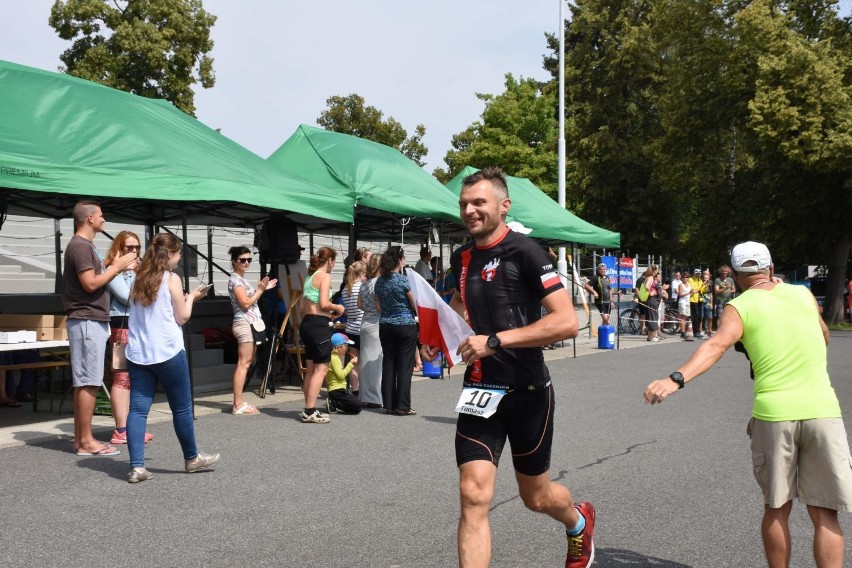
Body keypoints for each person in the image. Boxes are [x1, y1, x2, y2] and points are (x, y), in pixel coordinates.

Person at [421, 167, 593, 568]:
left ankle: (577, 520)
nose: (469, 210)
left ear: (503, 205)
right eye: (464, 204)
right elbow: (463, 306)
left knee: (536, 496)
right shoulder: (462, 256)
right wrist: (441, 333)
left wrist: (495, 340)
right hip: (482, 389)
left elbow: (566, 320)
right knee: (473, 494)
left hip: (528, 390)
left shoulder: (527, 252)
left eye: (479, 202)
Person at [644, 241, 852, 568]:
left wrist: (675, 379)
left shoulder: (739, 306)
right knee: (825, 515)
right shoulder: (803, 295)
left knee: (777, 508)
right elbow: (823, 336)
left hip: (775, 415)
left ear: (738, 275)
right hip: (822, 409)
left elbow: (716, 345)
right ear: (770, 268)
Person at [125, 233, 219, 483]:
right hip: (167, 351)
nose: (179, 259)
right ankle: (192, 458)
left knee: (137, 410)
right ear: (169, 255)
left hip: (138, 353)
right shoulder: (171, 279)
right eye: (178, 254)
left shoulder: (137, 278)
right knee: (182, 407)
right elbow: (182, 317)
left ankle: (137, 467)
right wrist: (192, 299)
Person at [63, 201, 137, 456]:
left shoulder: (84, 246)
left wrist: (117, 269)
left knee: (87, 381)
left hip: (90, 319)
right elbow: (90, 284)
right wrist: (115, 268)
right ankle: (85, 441)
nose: (104, 220)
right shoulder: (81, 246)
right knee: (88, 381)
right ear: (90, 219)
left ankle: (81, 439)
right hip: (86, 319)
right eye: (101, 216)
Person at [104, 230, 153, 445]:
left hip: (137, 324)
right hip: (122, 324)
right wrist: (135, 274)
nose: (134, 251)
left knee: (133, 377)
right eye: (129, 247)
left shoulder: (137, 269)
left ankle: (129, 428)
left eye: (137, 247)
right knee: (122, 376)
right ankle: (120, 429)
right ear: (119, 248)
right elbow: (127, 297)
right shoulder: (113, 270)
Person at [227, 246, 277, 415]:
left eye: (249, 259)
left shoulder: (241, 279)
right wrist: (261, 290)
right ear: (234, 261)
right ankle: (237, 404)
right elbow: (245, 303)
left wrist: (261, 289)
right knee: (244, 363)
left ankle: (239, 402)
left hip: (249, 323)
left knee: (246, 362)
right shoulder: (235, 280)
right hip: (244, 324)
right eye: (242, 260)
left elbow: (249, 301)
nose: (246, 262)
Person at [298, 246, 345, 424]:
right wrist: (337, 308)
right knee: (321, 369)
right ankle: (310, 410)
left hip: (307, 323)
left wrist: (327, 312)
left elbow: (303, 307)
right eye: (334, 262)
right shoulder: (325, 276)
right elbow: (325, 303)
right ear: (330, 261)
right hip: (319, 326)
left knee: (310, 369)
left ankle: (307, 407)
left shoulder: (309, 278)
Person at [375, 245, 419, 416]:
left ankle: (389, 405)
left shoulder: (379, 281)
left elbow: (378, 306)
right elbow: (414, 303)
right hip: (404, 323)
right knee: (404, 366)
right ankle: (402, 406)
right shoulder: (402, 280)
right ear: (399, 260)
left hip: (385, 323)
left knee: (388, 364)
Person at [357, 254, 384, 409]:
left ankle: (365, 394)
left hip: (365, 322)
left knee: (366, 361)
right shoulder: (378, 284)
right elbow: (380, 307)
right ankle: (376, 396)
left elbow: (359, 304)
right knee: (376, 362)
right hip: (376, 323)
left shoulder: (364, 284)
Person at [341, 260, 366, 395]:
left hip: (350, 328)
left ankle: (355, 389)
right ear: (361, 273)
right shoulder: (362, 287)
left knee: (353, 361)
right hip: (362, 327)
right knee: (364, 362)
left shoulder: (346, 289)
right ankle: (364, 389)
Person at [325, 333, 362, 414]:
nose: (347, 348)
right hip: (336, 389)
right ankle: (333, 403)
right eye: (346, 346)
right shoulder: (334, 358)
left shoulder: (335, 357)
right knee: (357, 405)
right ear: (339, 347)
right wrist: (351, 364)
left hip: (339, 389)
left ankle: (335, 403)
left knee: (357, 406)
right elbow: (341, 376)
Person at [688, 268, 707, 338]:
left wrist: (705, 287)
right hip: (693, 300)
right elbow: (694, 290)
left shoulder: (700, 280)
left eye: (699, 274)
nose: (698, 275)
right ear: (694, 273)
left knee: (699, 316)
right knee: (695, 316)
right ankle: (695, 332)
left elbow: (702, 290)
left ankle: (698, 330)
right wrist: (701, 285)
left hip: (700, 300)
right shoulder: (691, 280)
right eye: (697, 273)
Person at [677, 273, 693, 340]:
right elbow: (680, 294)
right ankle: (682, 332)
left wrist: (692, 293)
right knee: (682, 317)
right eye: (683, 277)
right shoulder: (681, 285)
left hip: (687, 302)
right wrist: (689, 293)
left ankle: (685, 331)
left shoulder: (689, 285)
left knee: (687, 317)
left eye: (686, 277)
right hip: (682, 302)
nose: (685, 278)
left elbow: (690, 295)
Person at [701, 269, 714, 336]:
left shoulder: (710, 283)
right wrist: (704, 284)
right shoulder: (700, 282)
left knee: (710, 317)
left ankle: (710, 331)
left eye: (707, 278)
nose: (706, 279)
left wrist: (711, 303)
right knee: (701, 317)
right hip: (701, 301)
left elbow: (711, 294)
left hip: (708, 301)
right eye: (705, 278)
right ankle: (700, 331)